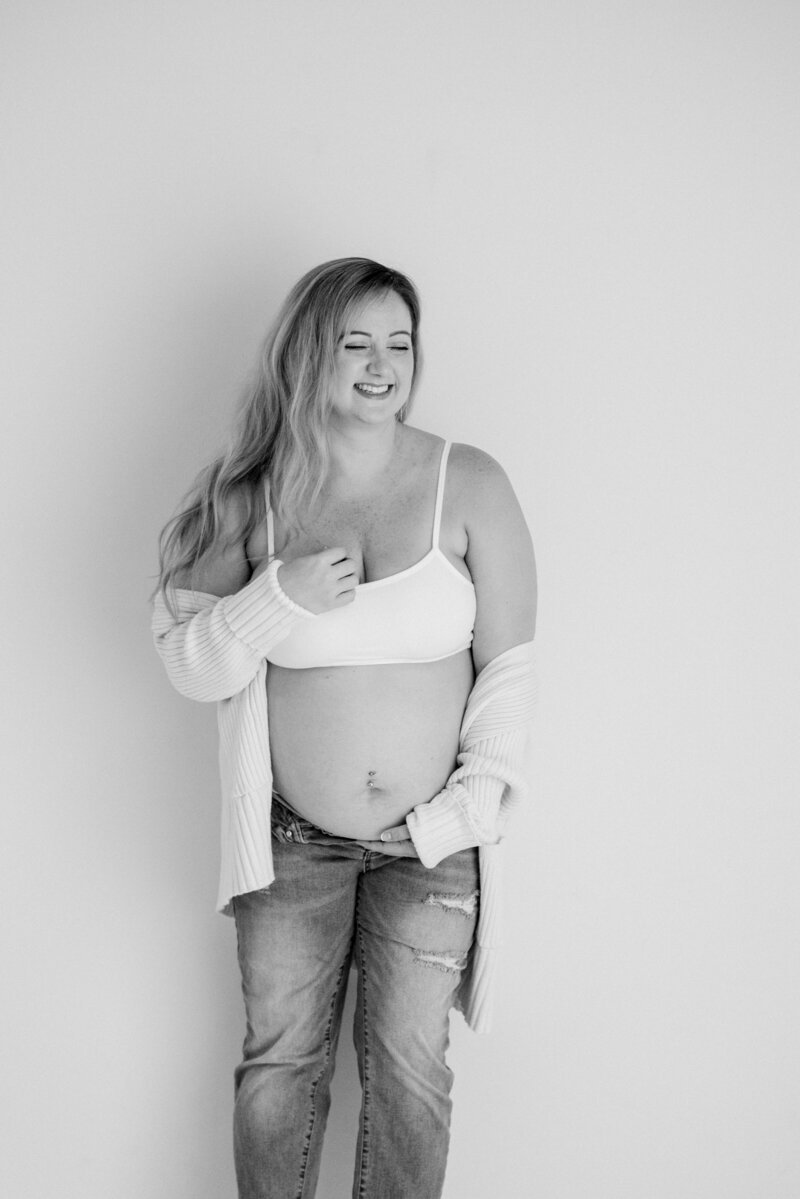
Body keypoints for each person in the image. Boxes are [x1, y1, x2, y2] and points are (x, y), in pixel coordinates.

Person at [152, 257, 538, 1199]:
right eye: (354, 342)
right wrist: (277, 595)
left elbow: (511, 678)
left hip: (429, 847)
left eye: (398, 343)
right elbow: (189, 664)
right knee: (281, 1067)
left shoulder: (470, 483)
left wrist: (454, 820)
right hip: (292, 842)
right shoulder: (250, 493)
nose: (380, 365)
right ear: (308, 352)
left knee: (412, 1078)